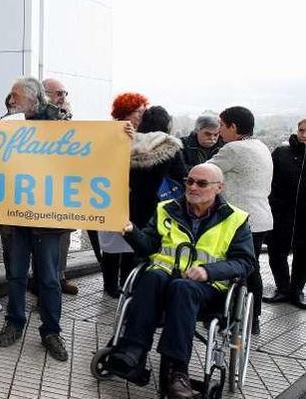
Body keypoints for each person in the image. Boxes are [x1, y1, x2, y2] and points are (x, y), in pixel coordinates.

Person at [106, 163, 255, 399]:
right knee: (152, 274)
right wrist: (131, 231)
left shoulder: (235, 219)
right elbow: (148, 247)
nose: (193, 187)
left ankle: (177, 371)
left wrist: (208, 270)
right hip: (163, 281)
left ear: (219, 188)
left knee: (182, 288)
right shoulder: (166, 208)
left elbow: (245, 263)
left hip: (207, 289)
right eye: (190, 181)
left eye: (201, 183)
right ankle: (133, 351)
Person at [0, 77, 69, 361]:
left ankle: (51, 331)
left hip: (46, 215)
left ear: (33, 99)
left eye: (15, 96)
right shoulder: (8, 121)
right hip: (14, 212)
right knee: (15, 274)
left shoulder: (60, 122)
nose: (10, 100)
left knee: (49, 278)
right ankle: (14, 322)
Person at [208, 106, 272, 335]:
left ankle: (232, 316)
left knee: (239, 269)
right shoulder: (261, 146)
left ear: (233, 127)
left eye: (222, 126)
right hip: (262, 217)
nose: (219, 131)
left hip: (241, 220)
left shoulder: (234, 149)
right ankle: (252, 319)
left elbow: (203, 172)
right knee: (251, 269)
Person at [100, 92, 150, 297]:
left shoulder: (144, 134)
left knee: (130, 238)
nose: (141, 116)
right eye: (138, 112)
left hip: (132, 196)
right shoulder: (110, 133)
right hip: (109, 193)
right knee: (111, 242)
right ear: (125, 113)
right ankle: (110, 285)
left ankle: (125, 281)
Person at [264, 118, 306, 307]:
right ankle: (283, 288)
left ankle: (297, 291)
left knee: (303, 255)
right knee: (276, 252)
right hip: (281, 214)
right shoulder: (282, 153)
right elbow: (267, 179)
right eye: (301, 130)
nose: (304, 135)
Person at [41, 78, 77, 295]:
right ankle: (43, 283)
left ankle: (59, 276)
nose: (63, 97)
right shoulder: (36, 119)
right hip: (40, 190)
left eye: (64, 93)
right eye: (58, 93)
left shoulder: (68, 119)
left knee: (63, 238)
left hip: (62, 190)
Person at [130, 106, 187, 230]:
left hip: (130, 205)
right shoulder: (170, 146)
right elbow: (182, 176)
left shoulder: (128, 143)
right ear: (167, 125)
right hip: (162, 204)